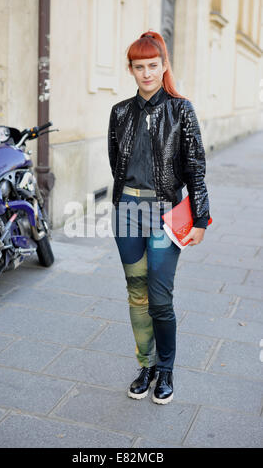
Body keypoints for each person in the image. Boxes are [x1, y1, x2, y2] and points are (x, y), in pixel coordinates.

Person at [108, 30, 211, 405]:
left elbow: (196, 167)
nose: (147, 73)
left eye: (153, 65)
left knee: (159, 297)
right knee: (136, 295)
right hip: (127, 214)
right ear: (131, 69)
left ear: (164, 66)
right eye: (139, 67)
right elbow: (116, 163)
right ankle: (145, 365)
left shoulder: (181, 110)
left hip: (166, 213)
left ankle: (165, 368)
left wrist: (201, 218)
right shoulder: (119, 112)